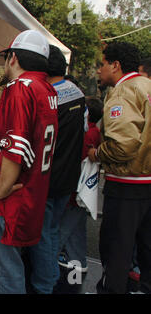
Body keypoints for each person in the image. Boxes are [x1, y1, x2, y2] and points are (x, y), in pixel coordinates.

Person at [0, 30, 58, 294]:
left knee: (3, 274)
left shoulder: (19, 89)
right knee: (9, 269)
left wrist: (1, 188)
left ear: (13, 58)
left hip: (7, 201)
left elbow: (16, 146)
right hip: (31, 193)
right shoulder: (46, 89)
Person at [88, 42, 151, 294]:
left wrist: (97, 153)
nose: (98, 71)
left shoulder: (124, 91)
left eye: (101, 65)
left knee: (116, 251)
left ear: (115, 65)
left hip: (127, 186)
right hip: (146, 183)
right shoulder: (147, 85)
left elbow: (122, 146)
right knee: (146, 251)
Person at [27, 45, 86, 294]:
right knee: (51, 232)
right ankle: (48, 280)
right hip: (68, 176)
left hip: (49, 178)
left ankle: (44, 285)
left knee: (44, 235)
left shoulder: (51, 97)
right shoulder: (77, 93)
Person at [58, 97, 103, 273]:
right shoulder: (93, 132)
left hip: (77, 188)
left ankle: (56, 253)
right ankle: (77, 258)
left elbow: (78, 157)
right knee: (77, 226)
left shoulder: (88, 134)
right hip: (80, 188)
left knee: (65, 225)